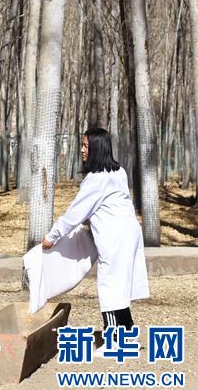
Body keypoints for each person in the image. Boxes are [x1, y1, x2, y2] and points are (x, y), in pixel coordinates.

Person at [41, 127, 150, 351]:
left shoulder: (96, 179)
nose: (82, 150)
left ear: (97, 149)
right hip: (129, 233)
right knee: (119, 285)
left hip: (115, 237)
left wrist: (52, 237)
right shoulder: (118, 172)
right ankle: (128, 334)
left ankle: (114, 341)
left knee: (110, 286)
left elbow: (75, 212)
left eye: (86, 146)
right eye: (82, 145)